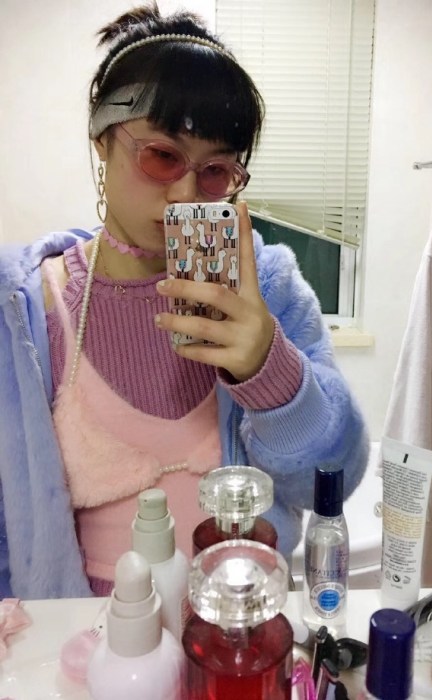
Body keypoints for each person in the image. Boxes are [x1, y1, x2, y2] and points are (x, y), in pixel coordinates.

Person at [0, 4, 368, 599]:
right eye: (162, 156)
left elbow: (334, 482)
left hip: (239, 627)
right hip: (78, 636)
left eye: (215, 171)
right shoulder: (25, 310)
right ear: (102, 140)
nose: (185, 193)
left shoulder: (267, 289)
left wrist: (271, 373)